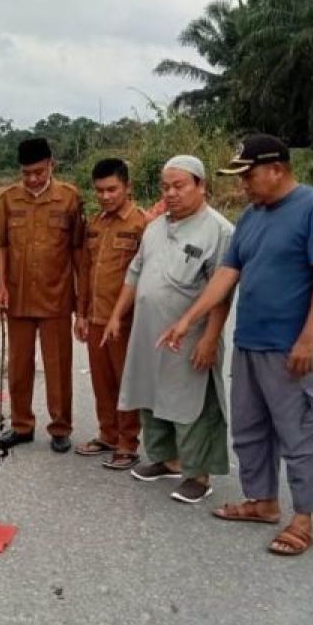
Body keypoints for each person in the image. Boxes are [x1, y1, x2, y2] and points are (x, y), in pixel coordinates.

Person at [159, 134, 313, 555]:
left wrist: (309, 337)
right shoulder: (251, 216)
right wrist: (188, 319)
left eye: (248, 175)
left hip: (296, 348)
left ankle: (303, 519)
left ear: (276, 170)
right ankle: (263, 502)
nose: (243, 184)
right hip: (250, 344)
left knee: (303, 432)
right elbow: (226, 276)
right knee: (250, 428)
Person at [105, 156, 234, 501]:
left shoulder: (218, 231)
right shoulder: (155, 226)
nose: (171, 193)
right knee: (150, 395)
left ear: (201, 186)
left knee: (191, 405)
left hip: (191, 336)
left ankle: (199, 474)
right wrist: (118, 315)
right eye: (166, 187)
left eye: (180, 186)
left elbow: (221, 294)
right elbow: (135, 273)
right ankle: (166, 459)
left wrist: (209, 338)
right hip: (149, 332)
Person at [0, 136, 85, 453]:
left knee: (58, 367)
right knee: (19, 366)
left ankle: (60, 427)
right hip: (17, 298)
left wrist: (81, 299)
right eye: (27, 173)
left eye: (39, 172)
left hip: (56, 297)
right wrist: (1, 285)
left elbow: (79, 250)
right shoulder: (7, 199)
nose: (32, 179)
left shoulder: (70, 198)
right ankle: (21, 425)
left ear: (51, 165)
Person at [74, 158, 147, 470]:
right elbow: (86, 270)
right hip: (95, 317)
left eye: (112, 189)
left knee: (126, 382)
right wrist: (81, 314)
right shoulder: (95, 224)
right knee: (102, 381)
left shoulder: (142, 225)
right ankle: (107, 433)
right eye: (100, 191)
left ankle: (128, 443)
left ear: (127, 187)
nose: (105, 196)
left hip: (127, 320)